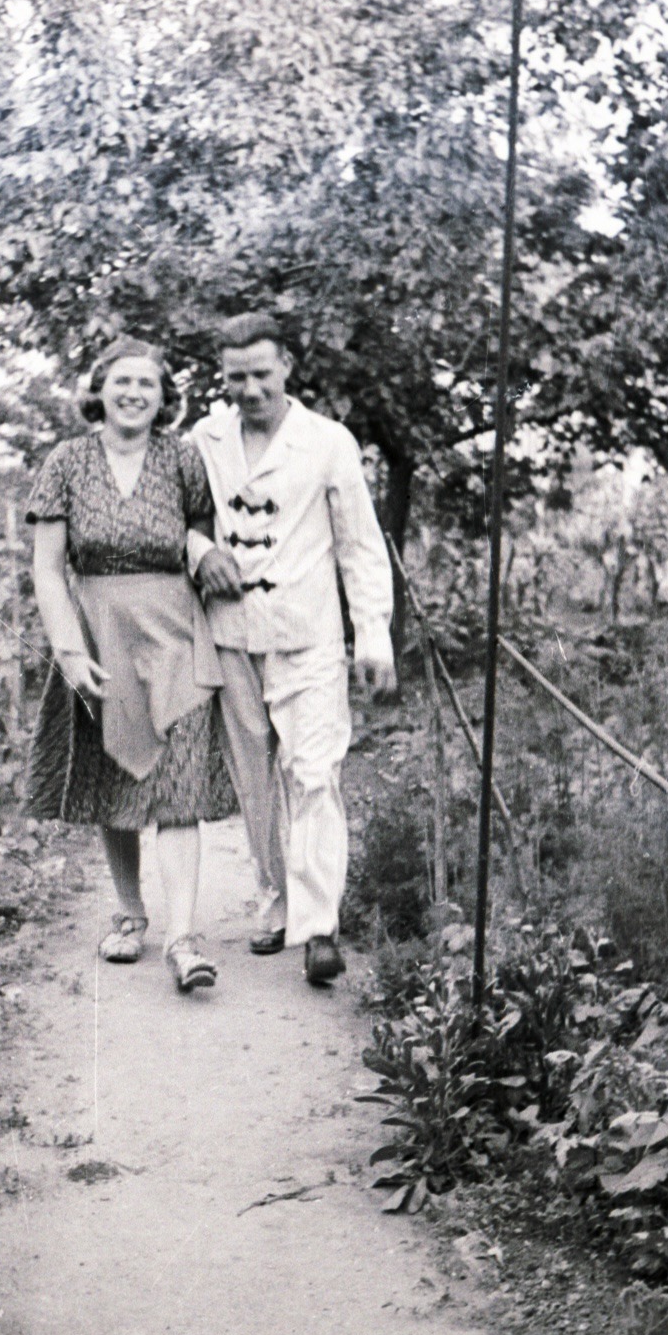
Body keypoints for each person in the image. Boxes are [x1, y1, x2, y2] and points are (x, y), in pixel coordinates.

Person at [187, 312, 396, 986]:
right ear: (223, 377)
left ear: (285, 368)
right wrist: (201, 552)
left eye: (260, 374)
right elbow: (181, 517)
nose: (249, 389)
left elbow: (361, 544)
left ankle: (317, 927)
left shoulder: (327, 442)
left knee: (314, 773)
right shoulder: (204, 438)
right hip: (230, 633)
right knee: (255, 780)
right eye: (235, 377)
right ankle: (275, 901)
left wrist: (372, 633)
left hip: (307, 634)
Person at [25, 336, 235, 993]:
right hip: (99, 630)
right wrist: (69, 649)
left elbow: (199, 530)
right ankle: (128, 911)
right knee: (116, 779)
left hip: (174, 630)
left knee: (176, 790)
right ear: (99, 389)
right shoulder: (66, 461)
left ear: (163, 396)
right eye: (121, 381)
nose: (133, 393)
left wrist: (204, 556)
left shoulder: (182, 458)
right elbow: (47, 567)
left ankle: (181, 936)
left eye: (146, 383)